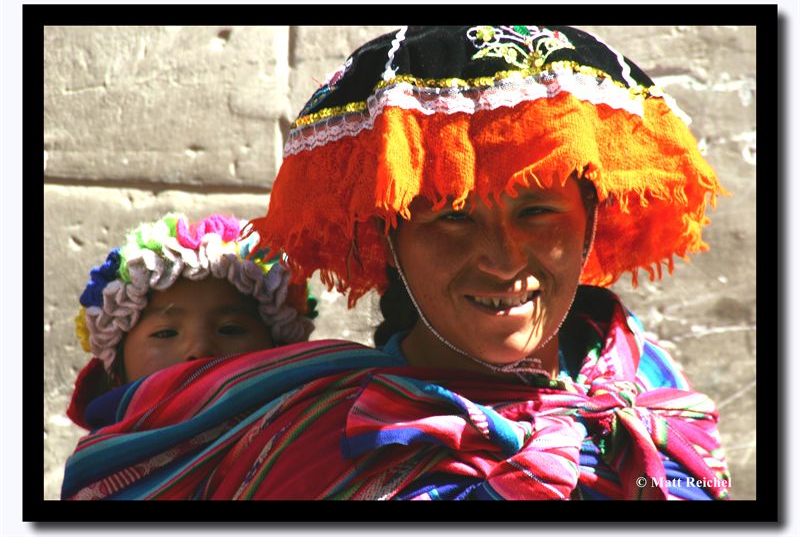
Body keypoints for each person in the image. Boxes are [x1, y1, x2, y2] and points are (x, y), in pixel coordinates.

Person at [62, 25, 730, 501]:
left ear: (592, 217)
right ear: (388, 241)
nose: (502, 259)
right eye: (451, 216)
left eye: (536, 212)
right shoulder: (312, 437)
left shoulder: (648, 388)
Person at [65, 212, 316, 431]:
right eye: (165, 333)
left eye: (230, 329)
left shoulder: (310, 444)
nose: (200, 350)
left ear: (278, 351)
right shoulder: (101, 474)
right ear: (116, 372)